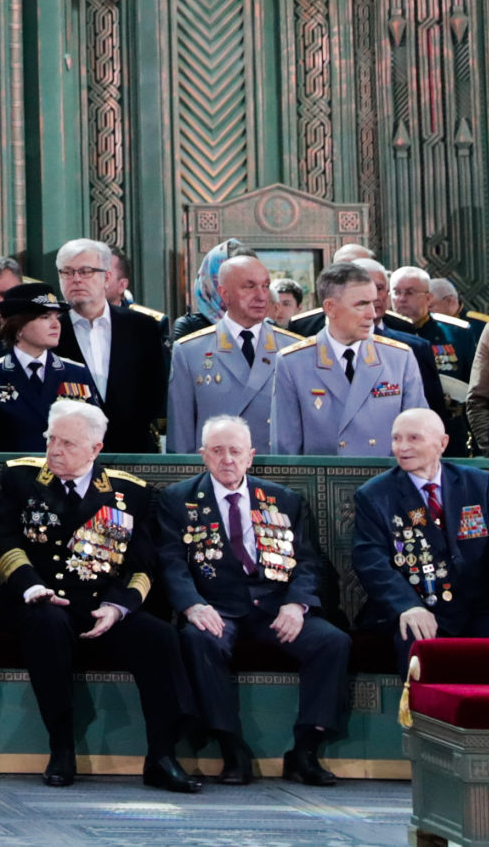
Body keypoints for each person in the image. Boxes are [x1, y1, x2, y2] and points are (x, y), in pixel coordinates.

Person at [0, 398, 200, 791]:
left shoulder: (129, 493)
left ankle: (162, 755)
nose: (55, 450)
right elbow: (3, 541)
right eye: (52, 439)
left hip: (100, 605)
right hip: (36, 600)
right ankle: (62, 748)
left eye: (68, 443)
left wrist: (118, 608)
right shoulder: (21, 477)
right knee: (48, 624)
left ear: (95, 449)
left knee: (160, 637)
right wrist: (33, 586)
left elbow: (141, 564)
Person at [155, 414, 344, 786]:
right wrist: (192, 605)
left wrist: (297, 604)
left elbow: (307, 560)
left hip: (275, 605)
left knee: (332, 642)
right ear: (203, 455)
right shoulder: (177, 500)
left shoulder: (282, 499)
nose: (227, 459)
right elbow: (171, 563)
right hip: (215, 607)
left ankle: (305, 750)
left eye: (235, 451)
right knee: (198, 640)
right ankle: (231, 749)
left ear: (251, 456)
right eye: (218, 451)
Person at [352, 407, 489, 666]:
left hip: (476, 607)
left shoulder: (479, 484)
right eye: (396, 438)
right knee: (414, 634)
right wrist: (407, 606)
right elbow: (370, 561)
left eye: (413, 438)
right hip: (420, 604)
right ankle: (422, 708)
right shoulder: (374, 495)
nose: (402, 447)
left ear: (442, 443)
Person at [272, 259, 427, 456]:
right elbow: (286, 450)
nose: (371, 314)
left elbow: (419, 439)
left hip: (386, 482)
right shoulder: (293, 362)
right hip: (323, 483)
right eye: (361, 304)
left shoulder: (399, 358)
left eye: (373, 302)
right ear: (330, 307)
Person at [167, 250, 292, 450]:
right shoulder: (190, 351)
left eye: (265, 286)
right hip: (219, 473)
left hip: (279, 473)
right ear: (224, 293)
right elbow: (180, 434)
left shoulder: (292, 349)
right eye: (249, 287)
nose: (261, 296)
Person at [53, 238, 167, 451]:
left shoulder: (142, 327)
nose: (76, 279)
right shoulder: (51, 332)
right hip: (70, 454)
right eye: (67, 272)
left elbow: (155, 392)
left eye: (86, 271)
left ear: (106, 277)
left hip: (133, 451)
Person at [0, 286, 98, 453]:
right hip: (12, 474)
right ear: (19, 327)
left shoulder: (77, 373)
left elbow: (94, 431)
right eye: (45, 317)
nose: (55, 324)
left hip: (65, 473)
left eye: (56, 317)